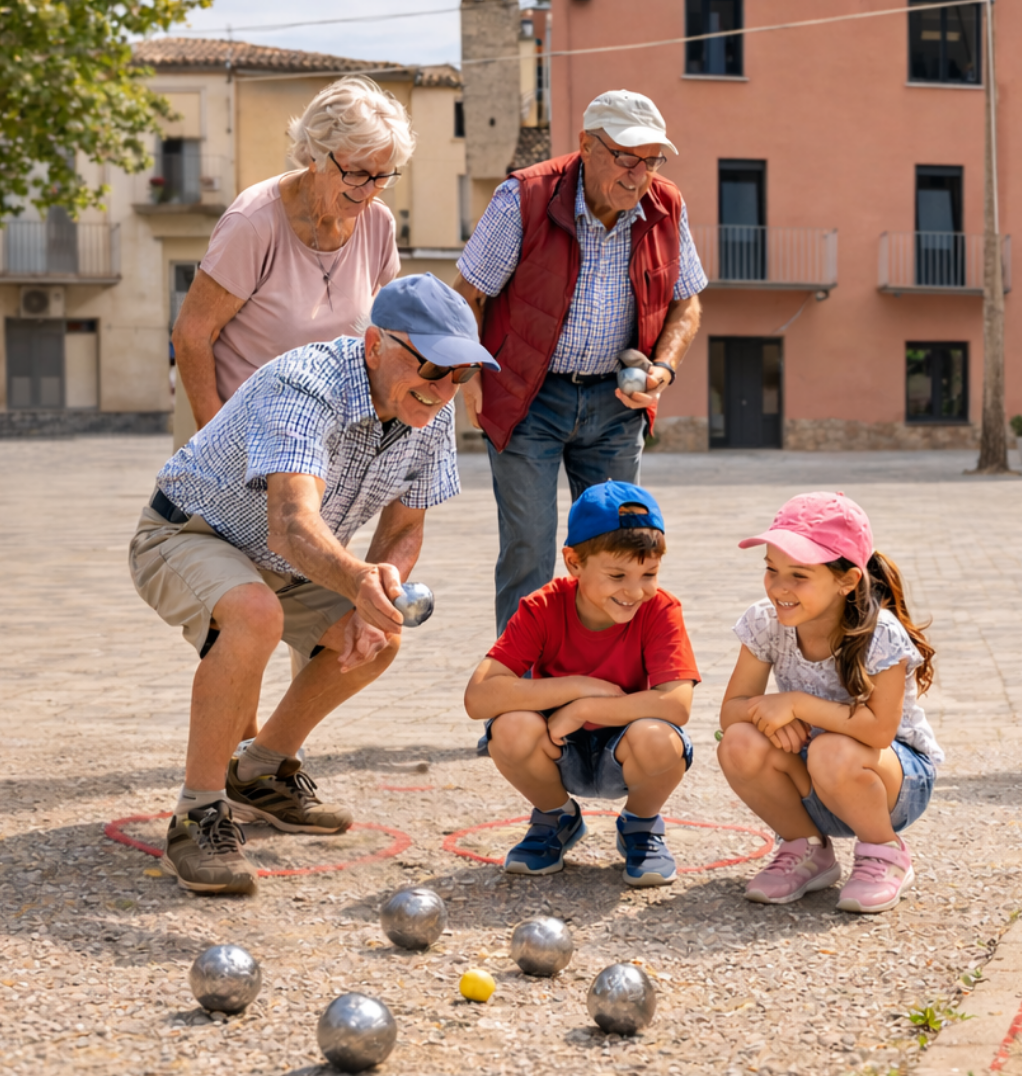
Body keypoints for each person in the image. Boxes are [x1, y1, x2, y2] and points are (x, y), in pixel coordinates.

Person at [129, 274, 490, 895]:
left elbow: (404, 527)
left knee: (382, 634)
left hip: (286, 563)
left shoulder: (430, 409)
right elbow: (292, 525)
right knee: (255, 612)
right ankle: (197, 815)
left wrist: (378, 595)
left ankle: (262, 772)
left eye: (460, 373)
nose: (443, 388)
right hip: (186, 534)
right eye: (432, 366)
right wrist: (357, 583)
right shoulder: (305, 383)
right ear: (376, 344)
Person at [456, 90, 707, 635]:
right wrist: (468, 375)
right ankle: (518, 702)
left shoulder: (666, 205)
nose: (639, 175)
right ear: (586, 146)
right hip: (529, 398)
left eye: (651, 160)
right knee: (529, 550)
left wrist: (662, 368)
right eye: (626, 157)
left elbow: (688, 301)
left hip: (615, 403)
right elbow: (468, 295)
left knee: (620, 552)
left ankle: (610, 698)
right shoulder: (523, 197)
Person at [715, 493, 941, 914]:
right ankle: (808, 850)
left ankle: (884, 852)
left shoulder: (880, 633)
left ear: (847, 580)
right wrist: (767, 718)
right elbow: (732, 711)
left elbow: (879, 731)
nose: (779, 587)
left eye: (799, 575)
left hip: (890, 782)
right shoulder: (765, 622)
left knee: (831, 748)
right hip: (814, 777)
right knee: (738, 742)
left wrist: (796, 704)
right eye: (771, 569)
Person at [464, 482, 700, 884]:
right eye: (616, 574)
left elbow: (676, 705)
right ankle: (556, 817)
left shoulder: (659, 609)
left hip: (628, 746)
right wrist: (577, 686)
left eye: (649, 574)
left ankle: (641, 826)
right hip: (558, 749)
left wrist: (585, 708)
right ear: (574, 562)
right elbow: (479, 698)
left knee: (661, 739)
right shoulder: (543, 606)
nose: (634, 590)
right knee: (509, 728)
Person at [172, 75, 411, 428]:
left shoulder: (378, 225)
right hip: (247, 430)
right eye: (357, 173)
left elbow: (378, 331)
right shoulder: (253, 222)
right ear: (315, 156)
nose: (369, 191)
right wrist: (216, 440)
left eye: (383, 177)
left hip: (330, 433)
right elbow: (191, 335)